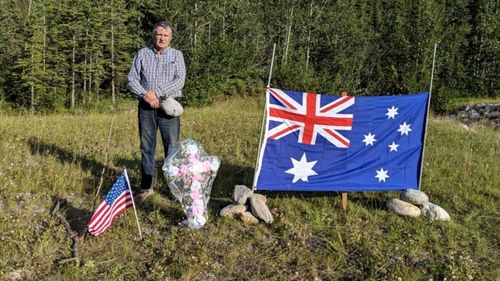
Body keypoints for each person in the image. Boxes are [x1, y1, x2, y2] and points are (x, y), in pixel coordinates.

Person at [128, 21, 186, 202]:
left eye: (165, 35)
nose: (162, 38)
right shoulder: (142, 54)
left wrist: (157, 93)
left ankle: (174, 187)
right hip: (146, 108)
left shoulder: (177, 55)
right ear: (154, 36)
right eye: (159, 35)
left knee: (173, 148)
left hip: (168, 107)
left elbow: (180, 80)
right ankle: (146, 187)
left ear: (170, 38)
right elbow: (132, 79)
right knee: (147, 148)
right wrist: (146, 95)